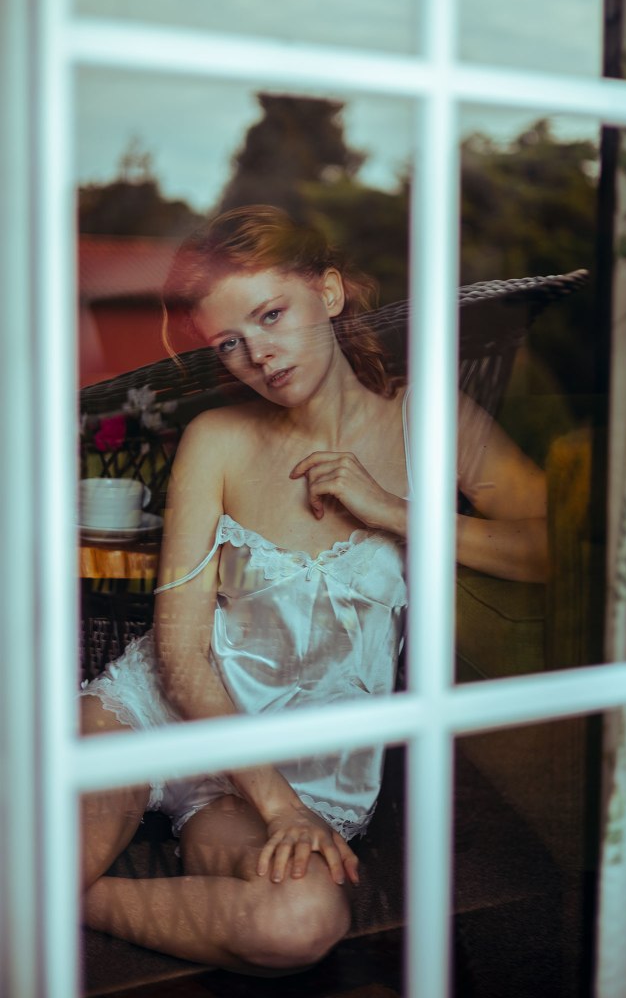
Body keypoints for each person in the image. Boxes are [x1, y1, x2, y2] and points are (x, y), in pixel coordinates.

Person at [80, 205, 547, 975]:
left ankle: (73, 901)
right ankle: (57, 888)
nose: (257, 355)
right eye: (229, 342)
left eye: (271, 315)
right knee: (39, 866)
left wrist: (392, 511)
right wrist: (279, 808)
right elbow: (180, 652)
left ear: (328, 293)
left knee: (299, 920)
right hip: (161, 715)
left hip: (307, 773)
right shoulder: (218, 440)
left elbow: (545, 548)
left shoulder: (429, 420)